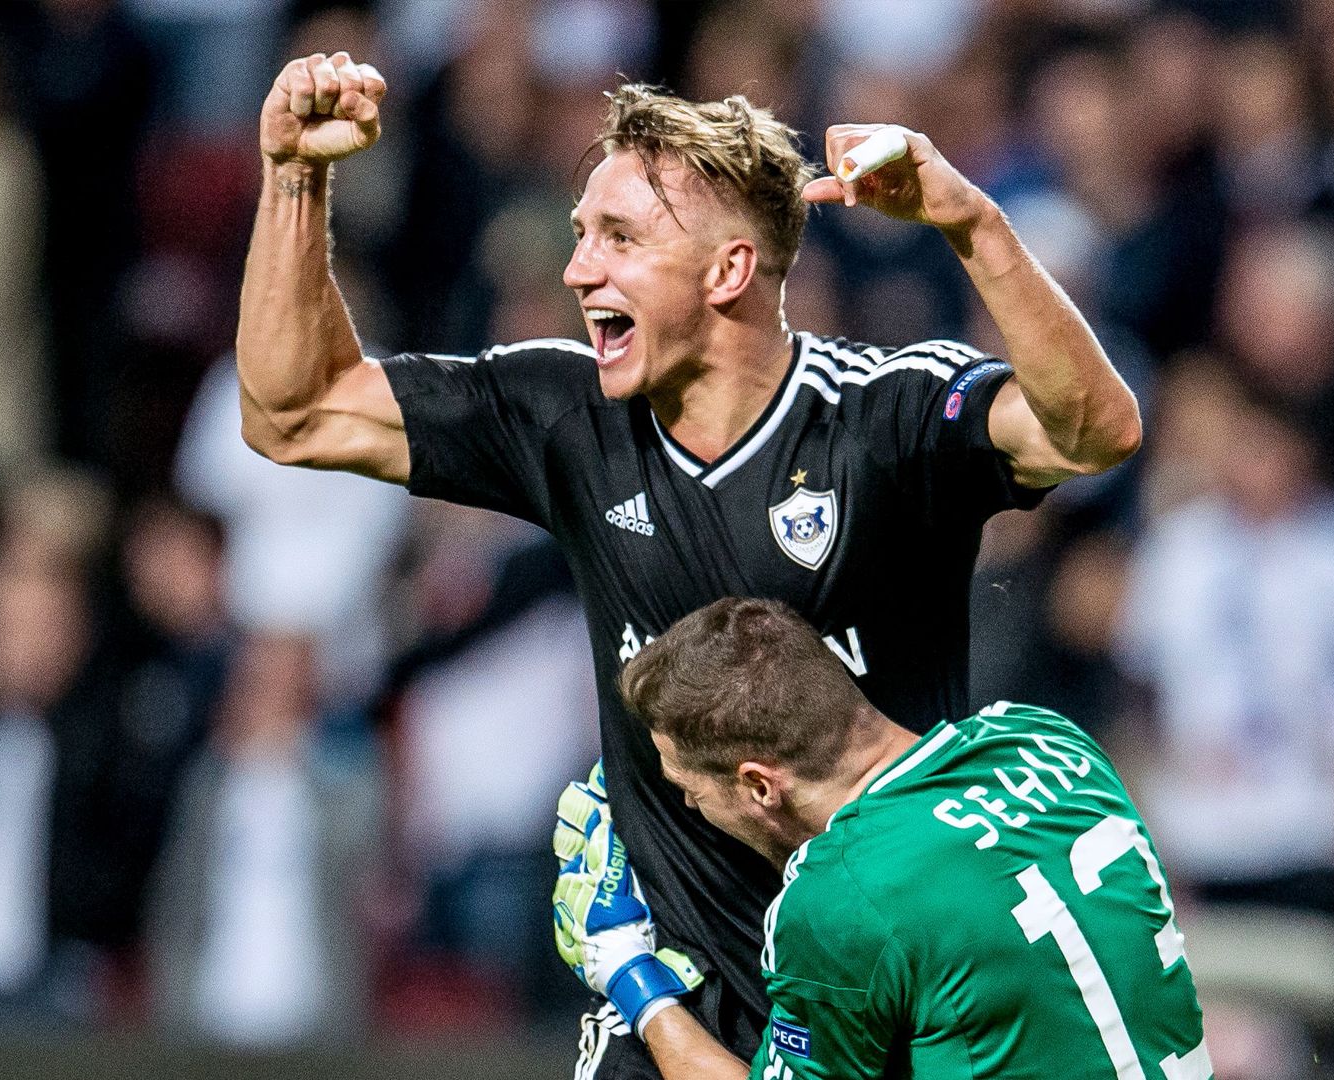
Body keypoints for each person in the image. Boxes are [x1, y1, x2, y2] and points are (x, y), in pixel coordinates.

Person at [237, 51, 1141, 1073]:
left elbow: (1094, 430)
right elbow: (294, 411)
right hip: (672, 993)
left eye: (619, 237)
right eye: (583, 234)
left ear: (729, 271)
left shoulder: (880, 421)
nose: (580, 270)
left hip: (882, 996)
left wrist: (972, 224)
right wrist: (292, 177)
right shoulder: (566, 415)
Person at [555, 597, 1207, 1080]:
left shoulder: (838, 898)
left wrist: (629, 974)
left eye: (691, 792)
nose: (691, 810)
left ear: (758, 785)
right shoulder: (1045, 737)